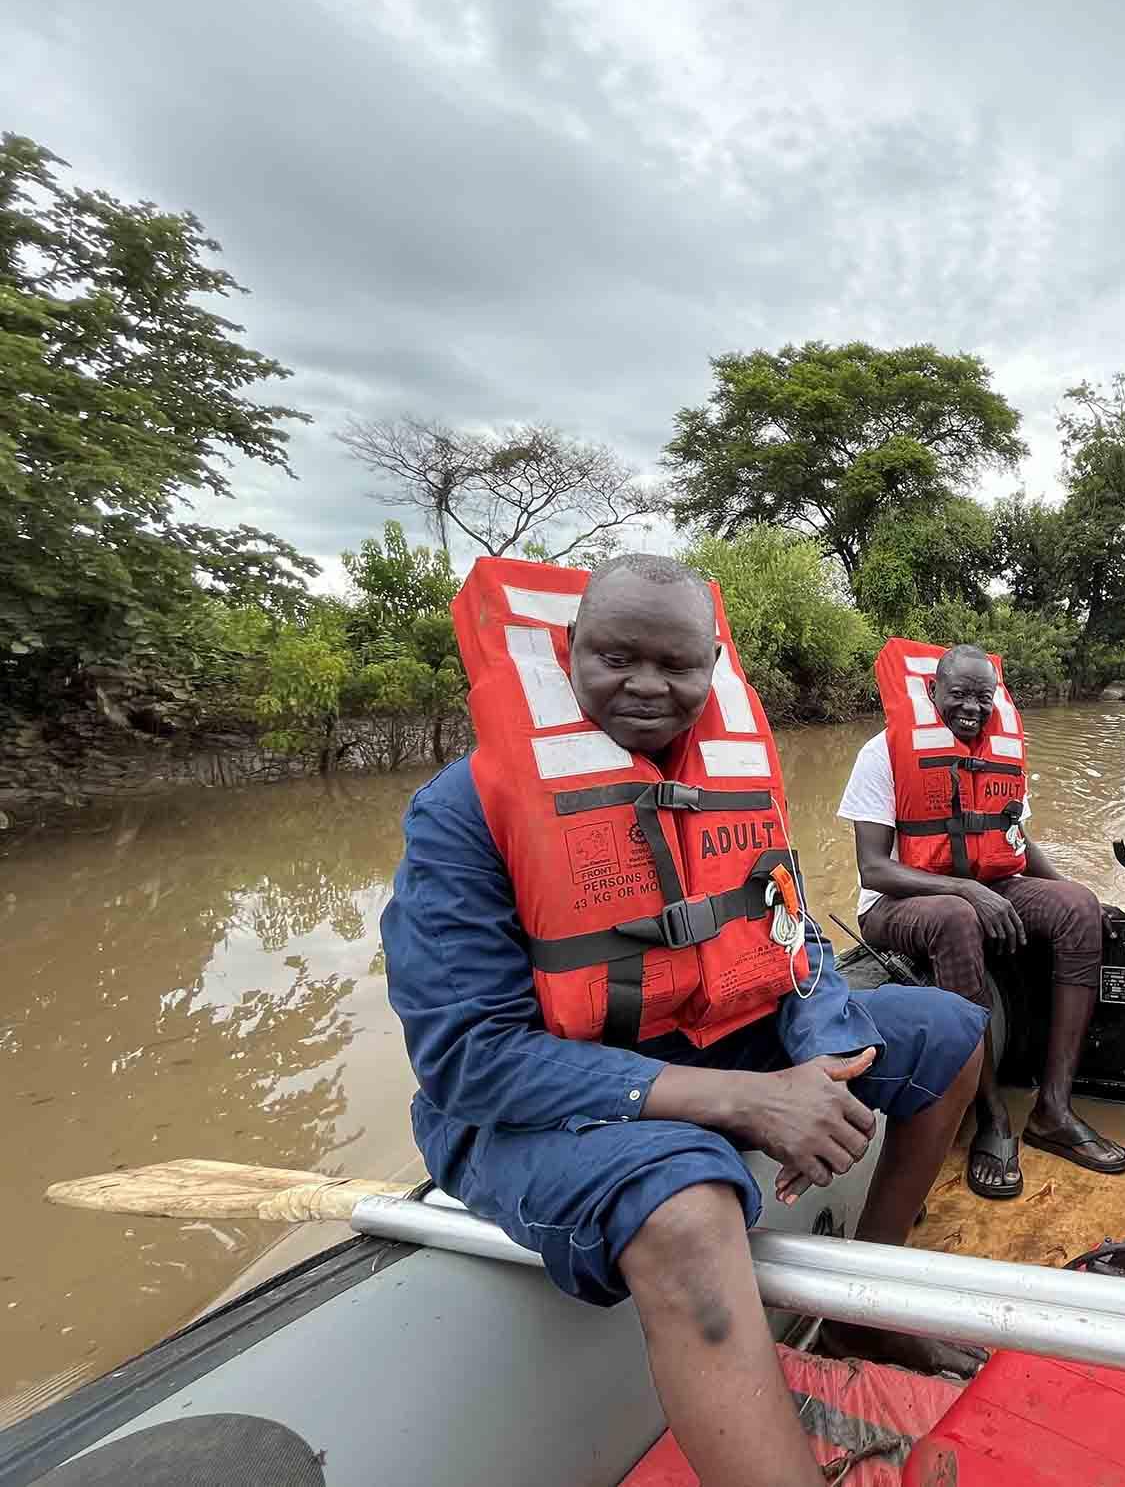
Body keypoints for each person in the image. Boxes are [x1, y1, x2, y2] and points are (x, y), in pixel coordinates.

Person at [383, 555, 989, 1487]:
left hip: (711, 1035)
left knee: (948, 1029)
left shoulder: (731, 779)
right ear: (566, 650)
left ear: (715, 666)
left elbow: (795, 944)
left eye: (678, 665)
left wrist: (824, 1057)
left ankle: (869, 1302)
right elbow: (468, 1060)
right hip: (536, 1097)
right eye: (616, 657)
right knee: (685, 1197)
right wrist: (746, 1102)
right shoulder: (461, 813)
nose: (649, 687)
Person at [840, 639, 1125, 1199]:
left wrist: (1080, 893)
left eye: (983, 696)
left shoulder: (1002, 754)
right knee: (955, 916)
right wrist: (967, 888)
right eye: (959, 695)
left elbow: (1018, 840)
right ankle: (991, 1114)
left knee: (1077, 909)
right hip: (899, 905)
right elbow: (873, 869)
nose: (973, 708)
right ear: (931, 691)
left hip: (987, 887)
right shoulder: (883, 753)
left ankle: (1053, 1109)